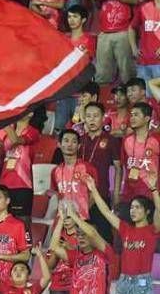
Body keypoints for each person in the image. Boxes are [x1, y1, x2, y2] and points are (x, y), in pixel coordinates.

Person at [86, 174, 160, 294]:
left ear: (147, 211)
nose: (133, 210)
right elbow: (106, 212)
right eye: (132, 207)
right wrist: (93, 190)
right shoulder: (125, 229)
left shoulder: (152, 230)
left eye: (137, 207)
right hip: (123, 283)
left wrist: (154, 189)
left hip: (142, 284)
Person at [50, 205, 115, 294]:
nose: (81, 237)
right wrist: (61, 220)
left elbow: (93, 233)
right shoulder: (75, 256)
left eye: (85, 234)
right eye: (79, 234)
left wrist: (74, 216)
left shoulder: (105, 253)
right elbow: (54, 247)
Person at [81, 102, 122, 243]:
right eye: (88, 116)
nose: (92, 120)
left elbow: (118, 168)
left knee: (104, 235)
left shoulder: (111, 140)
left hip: (101, 193)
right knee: (82, 235)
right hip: (81, 195)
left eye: (95, 116)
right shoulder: (80, 140)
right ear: (84, 118)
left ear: (103, 118)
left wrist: (116, 194)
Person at [0, 112, 40, 220]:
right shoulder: (7, 136)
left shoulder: (32, 132)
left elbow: (16, 140)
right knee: (3, 222)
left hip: (22, 184)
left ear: (30, 113)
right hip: (4, 185)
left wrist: (6, 123)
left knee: (23, 222)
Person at [119, 102, 160, 214]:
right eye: (131, 115)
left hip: (151, 194)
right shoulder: (126, 140)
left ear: (147, 118)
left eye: (136, 115)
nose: (132, 118)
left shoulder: (156, 139)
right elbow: (124, 167)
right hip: (129, 195)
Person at [52, 129, 98, 220]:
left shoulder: (88, 168)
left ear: (78, 146)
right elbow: (56, 194)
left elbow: (94, 195)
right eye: (66, 141)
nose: (70, 145)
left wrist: (82, 211)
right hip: (62, 220)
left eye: (74, 142)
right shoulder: (55, 171)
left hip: (82, 220)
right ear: (59, 144)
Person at [45, 211, 78, 294]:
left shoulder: (83, 237)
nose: (66, 220)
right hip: (57, 287)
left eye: (69, 217)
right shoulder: (57, 237)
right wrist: (57, 252)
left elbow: (83, 260)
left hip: (75, 287)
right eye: (63, 218)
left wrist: (70, 248)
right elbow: (50, 265)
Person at [129, 0, 160, 83]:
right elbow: (131, 28)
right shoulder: (144, 7)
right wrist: (134, 48)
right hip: (143, 62)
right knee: (144, 93)